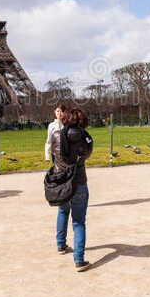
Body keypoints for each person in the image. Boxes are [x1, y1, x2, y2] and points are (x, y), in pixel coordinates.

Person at [48, 105, 94, 271]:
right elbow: (88, 152)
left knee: (62, 211)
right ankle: (79, 260)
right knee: (79, 222)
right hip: (79, 182)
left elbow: (53, 153)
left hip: (62, 182)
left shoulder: (57, 135)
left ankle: (61, 245)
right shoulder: (84, 139)